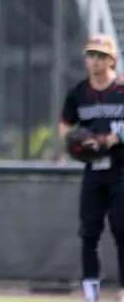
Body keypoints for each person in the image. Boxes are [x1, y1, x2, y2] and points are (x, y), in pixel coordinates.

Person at [60, 34, 124, 302]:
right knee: (89, 234)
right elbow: (65, 126)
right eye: (90, 55)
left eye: (100, 55)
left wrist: (113, 139)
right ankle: (90, 294)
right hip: (93, 172)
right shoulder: (79, 93)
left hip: (121, 170)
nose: (94, 60)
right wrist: (78, 143)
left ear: (112, 59)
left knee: (122, 230)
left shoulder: (121, 89)